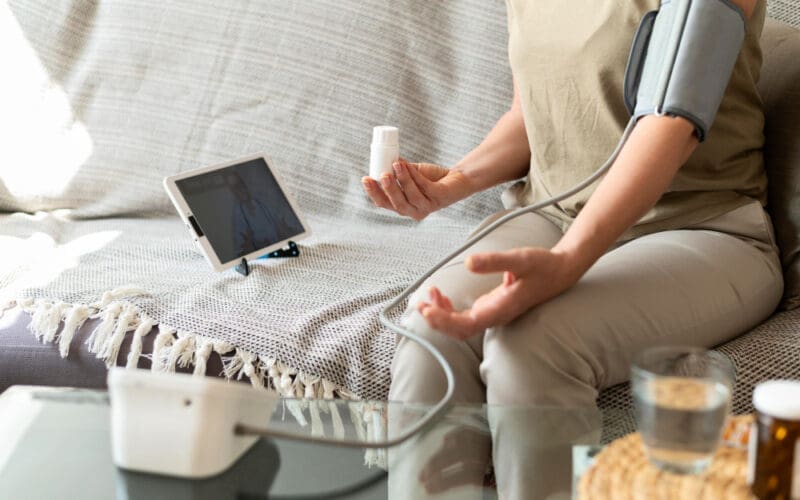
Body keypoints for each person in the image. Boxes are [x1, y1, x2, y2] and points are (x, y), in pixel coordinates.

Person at [362, 0, 782, 496]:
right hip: (553, 215)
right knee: (432, 327)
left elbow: (671, 119)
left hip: (700, 228)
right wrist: (456, 181)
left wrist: (569, 260)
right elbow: (529, 116)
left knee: (532, 345)